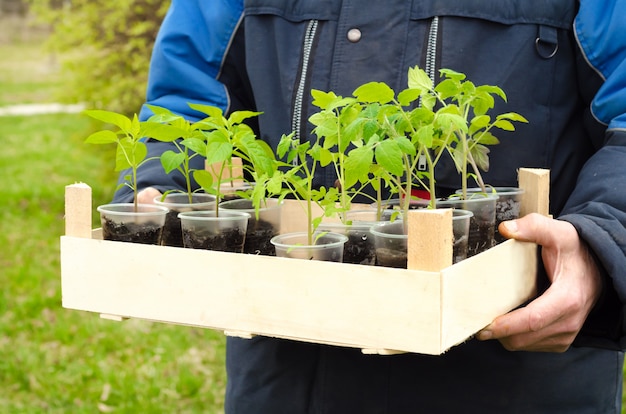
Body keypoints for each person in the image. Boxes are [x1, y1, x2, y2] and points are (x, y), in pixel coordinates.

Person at [112, 1, 626, 412]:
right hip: (290, 365)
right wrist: (158, 187)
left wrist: (600, 243)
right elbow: (186, 108)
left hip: (520, 372)